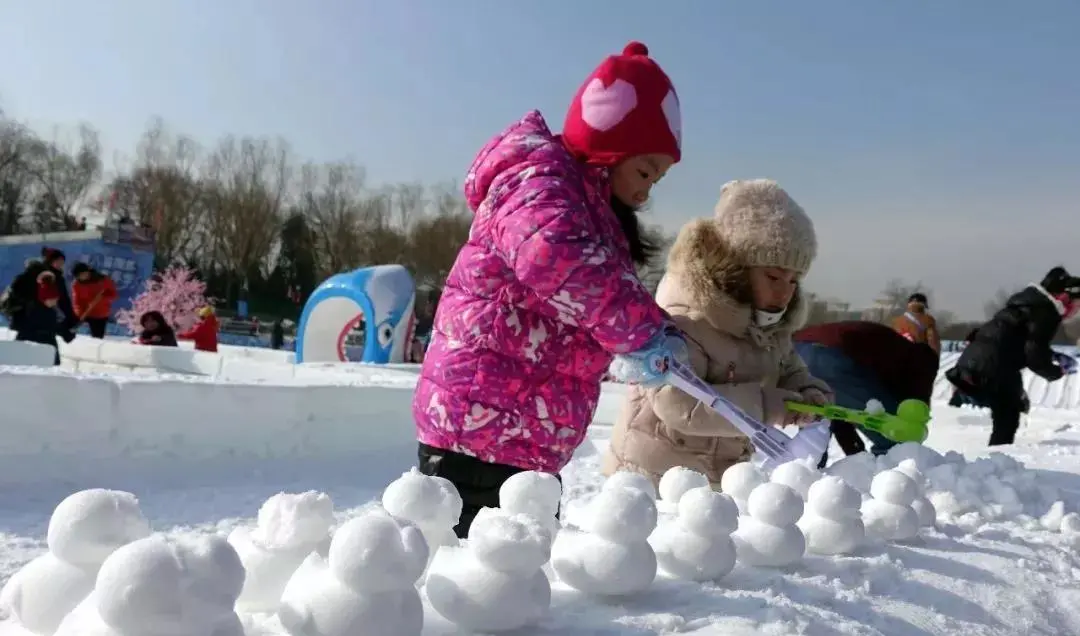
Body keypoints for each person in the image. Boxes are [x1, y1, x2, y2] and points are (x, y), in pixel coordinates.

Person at [413, 41, 686, 537]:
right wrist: (640, 331)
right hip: (477, 428)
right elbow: (555, 258)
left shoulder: (592, 209)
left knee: (519, 578)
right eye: (645, 170)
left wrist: (653, 333)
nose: (648, 190)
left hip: (524, 435)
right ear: (610, 144)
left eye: (658, 179)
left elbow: (600, 284)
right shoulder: (539, 181)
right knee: (463, 579)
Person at [602, 179, 832, 486]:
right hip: (652, 478)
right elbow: (677, 403)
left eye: (793, 281)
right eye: (774, 276)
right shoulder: (686, 318)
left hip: (718, 477)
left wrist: (808, 392)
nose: (785, 292)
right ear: (736, 268)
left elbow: (788, 368)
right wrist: (767, 406)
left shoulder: (769, 326)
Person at [947, 266, 1080, 446]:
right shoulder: (1046, 312)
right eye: (1077, 304)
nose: (1076, 311)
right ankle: (997, 462)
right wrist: (1056, 372)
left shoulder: (1027, 304)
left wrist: (1053, 355)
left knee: (1000, 409)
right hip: (997, 366)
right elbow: (1033, 354)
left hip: (974, 361)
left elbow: (1021, 339)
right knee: (1008, 415)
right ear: (1064, 297)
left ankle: (975, 457)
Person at [793, 320, 940, 465]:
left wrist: (854, 448)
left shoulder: (889, 347)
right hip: (833, 352)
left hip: (797, 351)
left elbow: (840, 408)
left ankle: (807, 475)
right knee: (896, 436)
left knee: (815, 434)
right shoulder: (920, 358)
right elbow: (917, 401)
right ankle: (893, 479)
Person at [71, 263, 118, 339]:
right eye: (79, 275)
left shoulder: (103, 280)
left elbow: (114, 295)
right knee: (77, 336)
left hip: (100, 314)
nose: (83, 276)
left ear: (88, 271)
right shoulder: (76, 284)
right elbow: (77, 301)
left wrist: (102, 297)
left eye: (84, 273)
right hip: (85, 312)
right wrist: (79, 315)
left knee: (97, 337)